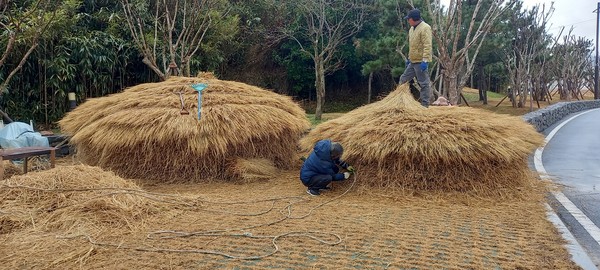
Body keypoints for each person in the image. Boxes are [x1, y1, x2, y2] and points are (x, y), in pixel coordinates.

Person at [399, 8, 433, 108]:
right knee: (403, 79)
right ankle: (400, 101)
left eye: (408, 19)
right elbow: (412, 45)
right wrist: (409, 58)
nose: (408, 20)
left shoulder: (425, 28)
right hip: (413, 61)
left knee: (423, 83)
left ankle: (425, 105)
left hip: (421, 61)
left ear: (413, 19)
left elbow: (427, 45)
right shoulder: (411, 29)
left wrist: (425, 60)